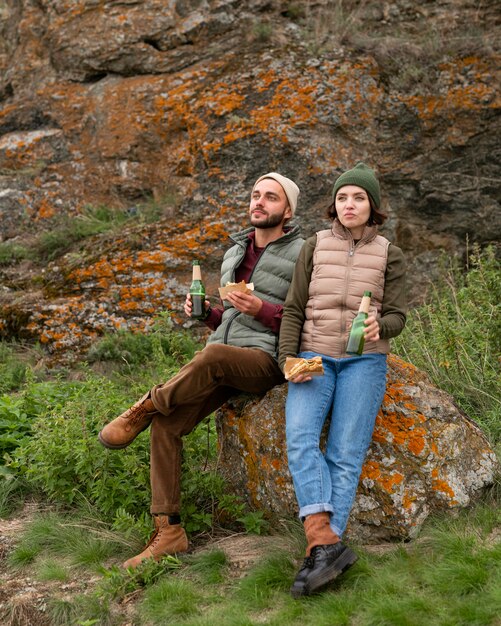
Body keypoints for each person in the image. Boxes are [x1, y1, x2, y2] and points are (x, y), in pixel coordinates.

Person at [98, 172, 304, 568]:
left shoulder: (303, 253)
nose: (259, 202)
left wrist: (263, 309)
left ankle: (143, 407)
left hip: (266, 361)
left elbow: (303, 317)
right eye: (256, 195)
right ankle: (169, 531)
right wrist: (208, 314)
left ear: (287, 210)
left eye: (271, 198)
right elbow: (230, 319)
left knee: (206, 362)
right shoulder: (233, 253)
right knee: (168, 424)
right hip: (225, 358)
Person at [279, 162, 407, 598]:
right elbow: (294, 307)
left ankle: (321, 551)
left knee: (345, 454)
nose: (349, 205)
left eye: (358, 197)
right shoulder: (314, 245)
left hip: (364, 362)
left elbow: (398, 315)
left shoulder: (390, 252)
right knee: (299, 435)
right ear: (333, 205)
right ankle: (325, 542)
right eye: (342, 197)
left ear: (373, 206)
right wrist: (286, 359)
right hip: (314, 356)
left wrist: (380, 328)